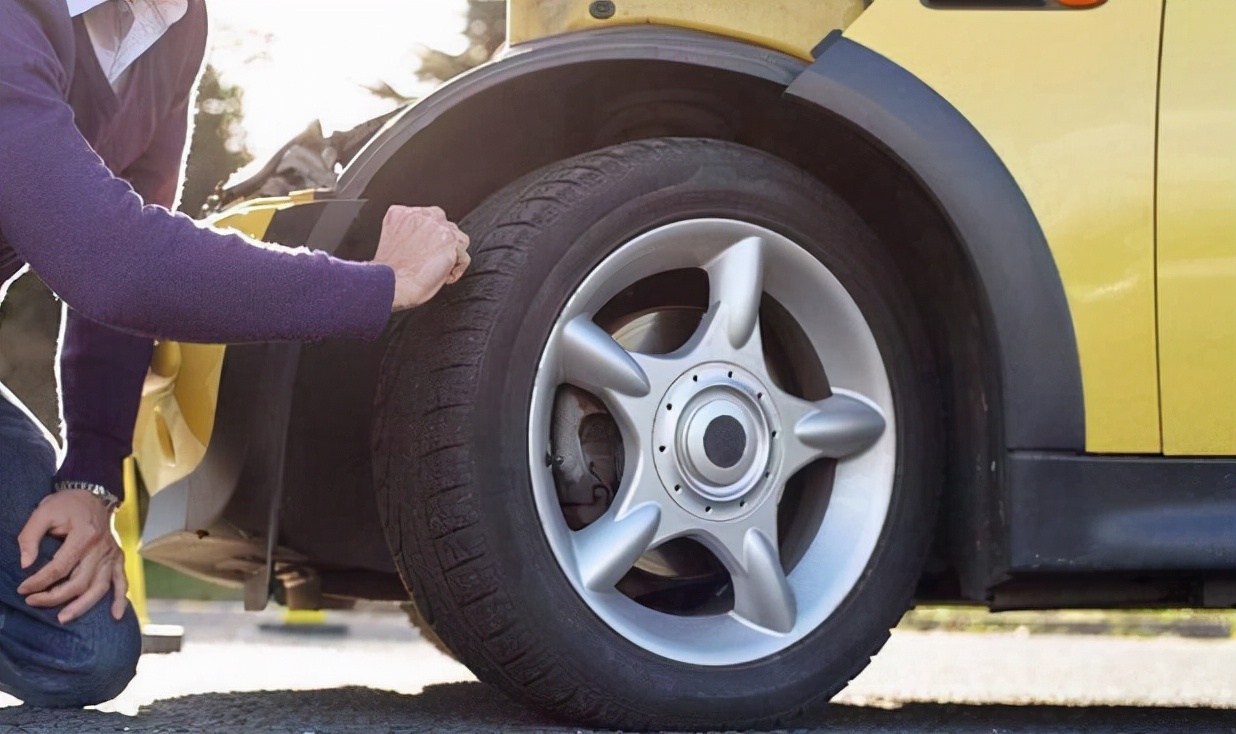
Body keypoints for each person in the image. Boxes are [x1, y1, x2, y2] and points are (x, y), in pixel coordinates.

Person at [0, 0, 471, 707]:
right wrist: (378, 285)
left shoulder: (174, 27)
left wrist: (91, 476)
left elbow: (133, 253)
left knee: (82, 647)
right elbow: (111, 261)